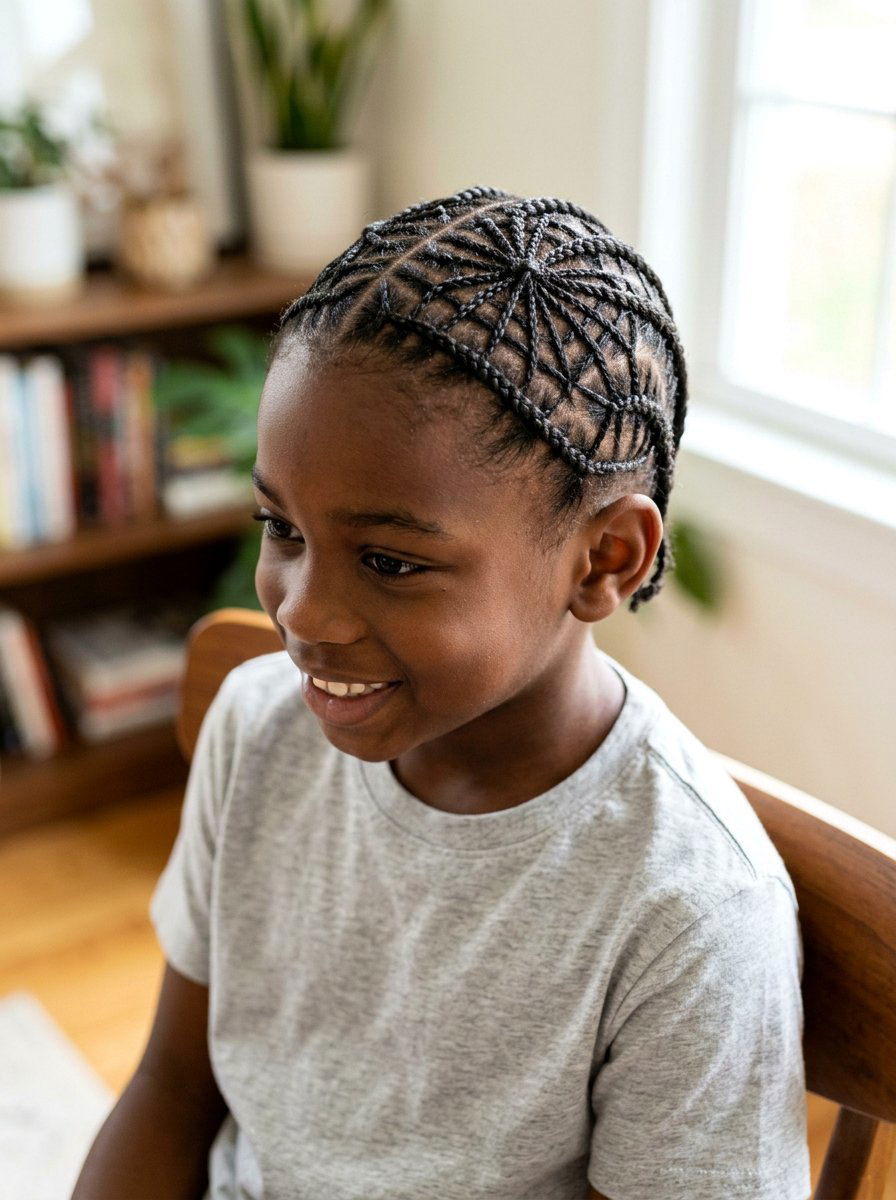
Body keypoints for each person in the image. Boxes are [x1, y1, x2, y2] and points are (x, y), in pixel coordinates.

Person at [72, 186, 810, 1200]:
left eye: (386, 561)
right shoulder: (257, 729)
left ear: (603, 559)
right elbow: (170, 1086)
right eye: (281, 528)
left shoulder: (688, 912)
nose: (303, 613)